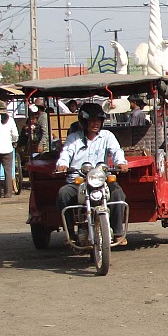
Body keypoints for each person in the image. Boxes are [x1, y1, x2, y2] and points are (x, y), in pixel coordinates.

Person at [55, 103, 130, 244]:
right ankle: (70, 234)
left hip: (101, 180)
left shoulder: (107, 136)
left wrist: (120, 162)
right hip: (78, 181)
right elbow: (66, 153)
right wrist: (62, 164)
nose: (95, 123)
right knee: (63, 194)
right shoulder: (73, 138)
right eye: (91, 120)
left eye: (98, 120)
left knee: (118, 194)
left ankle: (119, 232)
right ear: (84, 122)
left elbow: (116, 151)